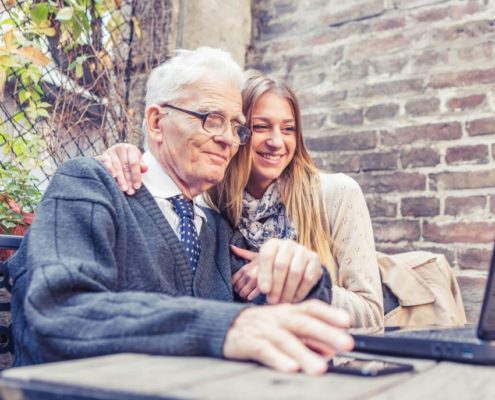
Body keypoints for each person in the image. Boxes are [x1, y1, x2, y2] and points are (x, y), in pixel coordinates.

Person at [7, 48, 354, 376]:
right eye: (212, 119)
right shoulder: (88, 186)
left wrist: (303, 278)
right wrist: (223, 326)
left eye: (236, 126)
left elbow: (268, 311)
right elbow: (58, 312)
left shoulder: (215, 229)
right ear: (157, 122)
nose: (229, 140)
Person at [98, 71, 385, 327]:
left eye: (288, 129)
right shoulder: (206, 203)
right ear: (239, 132)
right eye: (261, 127)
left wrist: (291, 278)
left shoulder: (334, 194)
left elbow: (372, 314)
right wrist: (130, 159)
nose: (277, 141)